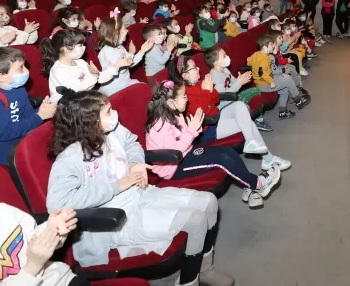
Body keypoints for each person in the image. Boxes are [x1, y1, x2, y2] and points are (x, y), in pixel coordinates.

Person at [47, 89, 234, 286]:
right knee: (195, 221)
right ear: (90, 123)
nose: (115, 115)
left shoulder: (112, 130)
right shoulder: (70, 158)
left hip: (140, 193)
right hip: (115, 219)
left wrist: (136, 162)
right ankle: (189, 282)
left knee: (209, 202)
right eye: (108, 112)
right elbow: (57, 204)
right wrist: (117, 185)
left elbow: (132, 143)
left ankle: (204, 269)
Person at [145, 80, 281, 209]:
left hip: (186, 154)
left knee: (227, 151)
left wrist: (194, 129)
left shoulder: (175, 114)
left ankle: (249, 186)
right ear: (170, 103)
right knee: (221, 159)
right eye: (183, 96)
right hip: (173, 168)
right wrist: (191, 131)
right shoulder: (159, 126)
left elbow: (184, 139)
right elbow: (175, 152)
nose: (187, 98)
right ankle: (258, 184)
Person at [170, 55, 291, 167]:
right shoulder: (184, 93)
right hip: (208, 128)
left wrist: (210, 90)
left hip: (217, 115)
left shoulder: (201, 83)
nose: (198, 69)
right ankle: (268, 159)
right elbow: (200, 114)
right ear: (185, 75)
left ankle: (254, 146)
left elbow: (216, 98)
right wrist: (207, 91)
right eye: (194, 68)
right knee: (249, 124)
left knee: (239, 105)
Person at [0, 47, 57, 164]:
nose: (27, 71)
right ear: (1, 76)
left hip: (10, 132)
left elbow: (26, 114)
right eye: (21, 68)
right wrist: (39, 116)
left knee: (53, 137)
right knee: (37, 152)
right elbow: (5, 134)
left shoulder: (18, 88)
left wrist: (43, 110)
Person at [41, 29, 123, 102]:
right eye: (80, 45)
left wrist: (116, 66)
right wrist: (95, 76)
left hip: (84, 100)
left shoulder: (80, 62)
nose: (84, 48)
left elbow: (100, 78)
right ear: (66, 49)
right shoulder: (58, 70)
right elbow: (78, 90)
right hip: (69, 107)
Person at [248, 35, 310, 119]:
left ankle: (282, 112)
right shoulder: (265, 58)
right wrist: (271, 82)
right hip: (265, 84)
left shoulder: (256, 54)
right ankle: (298, 101)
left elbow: (249, 61)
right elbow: (262, 73)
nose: (273, 46)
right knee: (288, 79)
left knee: (284, 89)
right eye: (271, 45)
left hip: (263, 82)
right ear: (265, 48)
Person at [97, 18, 155, 96]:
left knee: (144, 88)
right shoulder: (107, 51)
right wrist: (131, 54)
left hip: (124, 82)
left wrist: (142, 51)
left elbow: (129, 64)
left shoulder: (120, 47)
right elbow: (122, 68)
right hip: (113, 88)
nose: (127, 31)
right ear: (115, 33)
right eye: (124, 29)